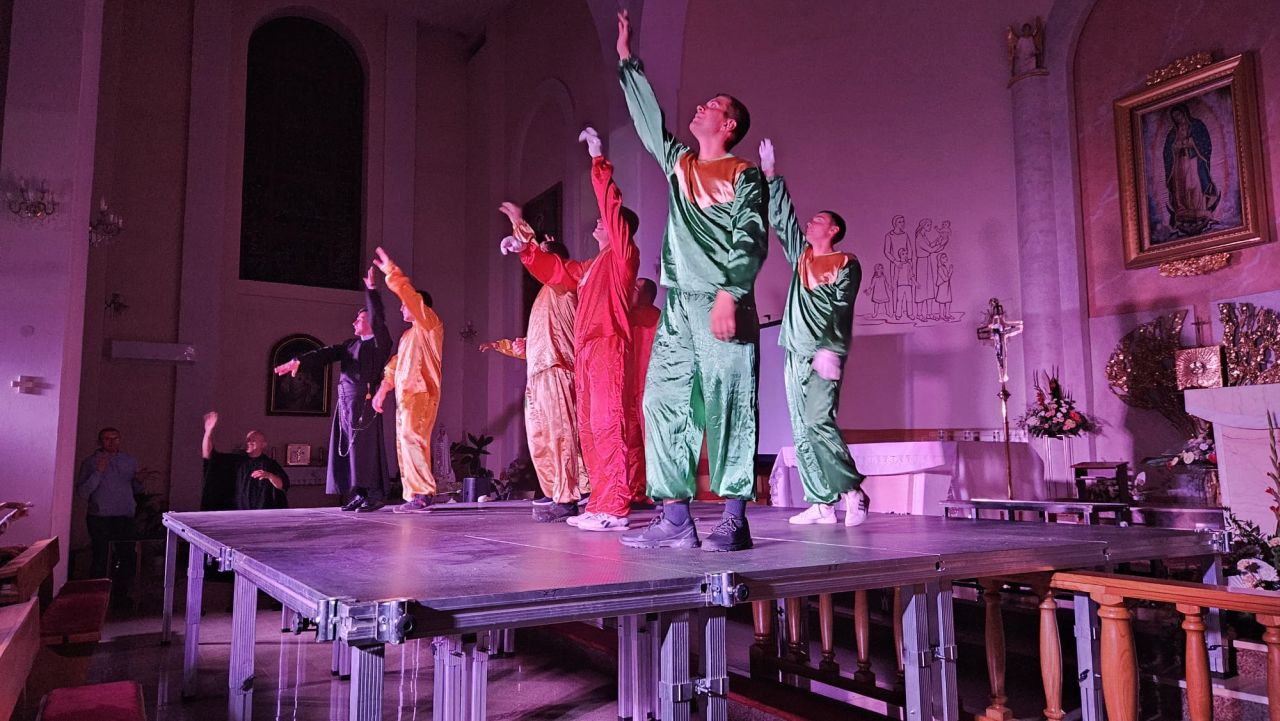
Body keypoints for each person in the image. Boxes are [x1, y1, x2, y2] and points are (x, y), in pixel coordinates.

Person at [615, 10, 768, 552]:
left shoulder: (744, 175)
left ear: (729, 126)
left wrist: (730, 292)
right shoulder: (681, 166)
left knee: (730, 404)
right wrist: (628, 61)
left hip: (724, 301)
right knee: (661, 400)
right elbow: (650, 124)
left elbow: (750, 238)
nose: (701, 107)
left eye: (713, 106)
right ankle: (676, 518)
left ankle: (734, 518)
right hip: (679, 306)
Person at [499, 128, 643, 532]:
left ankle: (615, 507)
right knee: (590, 429)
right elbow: (556, 272)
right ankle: (599, 502)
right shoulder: (589, 267)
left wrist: (598, 161)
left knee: (608, 424)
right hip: (586, 351)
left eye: (605, 222)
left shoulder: (622, 255)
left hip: (609, 344)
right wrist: (525, 250)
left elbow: (611, 208)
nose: (598, 222)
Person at [759, 139, 869, 526]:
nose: (810, 223)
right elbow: (784, 221)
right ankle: (822, 501)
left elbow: (842, 308)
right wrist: (771, 175)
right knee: (802, 428)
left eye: (818, 221)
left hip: (823, 352)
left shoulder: (845, 263)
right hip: (795, 351)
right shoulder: (802, 256)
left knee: (819, 420)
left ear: (833, 229)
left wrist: (831, 349)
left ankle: (853, 491)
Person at [487, 222, 589, 523]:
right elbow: (538, 340)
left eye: (544, 254)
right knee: (540, 439)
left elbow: (548, 266)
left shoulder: (563, 284)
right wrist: (507, 346)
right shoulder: (545, 293)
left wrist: (524, 236)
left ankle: (568, 496)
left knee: (561, 436)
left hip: (558, 368)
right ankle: (558, 489)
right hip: (538, 373)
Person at [274, 267, 391, 512]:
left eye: (359, 318)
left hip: (364, 401)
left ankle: (374, 493)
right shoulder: (349, 345)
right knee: (348, 449)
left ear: (370, 321)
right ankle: (359, 493)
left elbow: (379, 317)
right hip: (345, 402)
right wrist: (298, 361)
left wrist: (372, 290)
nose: (354, 322)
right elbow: (325, 354)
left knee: (365, 449)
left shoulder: (379, 344)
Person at [371, 247, 444, 513]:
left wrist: (392, 272)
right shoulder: (407, 337)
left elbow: (410, 298)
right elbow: (395, 366)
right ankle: (414, 493)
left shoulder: (429, 326)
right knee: (405, 441)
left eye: (405, 305)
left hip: (421, 393)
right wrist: (383, 390)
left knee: (412, 437)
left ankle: (423, 492)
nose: (402, 308)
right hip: (405, 398)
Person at [75, 427, 141, 580]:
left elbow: (135, 490)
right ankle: (97, 590)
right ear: (100, 442)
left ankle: (122, 591)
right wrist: (98, 472)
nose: (112, 442)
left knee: (127, 556)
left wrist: (138, 481)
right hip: (100, 518)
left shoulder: (129, 461)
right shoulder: (90, 462)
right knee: (101, 557)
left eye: (115, 438)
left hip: (125, 516)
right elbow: (82, 492)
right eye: (107, 439)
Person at [200, 412, 288, 510]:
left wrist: (269, 475)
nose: (249, 442)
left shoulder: (270, 464)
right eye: (248, 440)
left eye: (253, 440)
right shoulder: (236, 461)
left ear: (263, 444)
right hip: (239, 512)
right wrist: (208, 432)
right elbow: (208, 454)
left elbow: (282, 485)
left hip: (264, 513)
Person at [625, 277, 661, 501]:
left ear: (647, 294)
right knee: (633, 443)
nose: (632, 291)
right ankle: (638, 490)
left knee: (648, 442)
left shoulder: (655, 317)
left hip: (648, 387)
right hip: (630, 387)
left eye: (636, 288)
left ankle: (653, 490)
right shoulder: (628, 316)